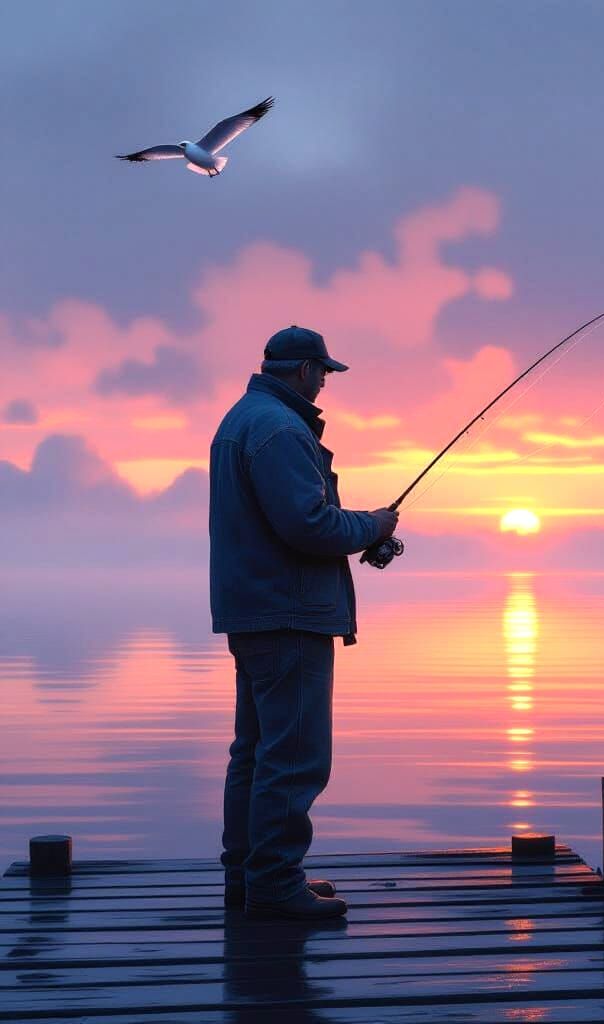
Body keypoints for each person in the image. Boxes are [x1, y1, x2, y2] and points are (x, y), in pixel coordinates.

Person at [209, 325, 398, 921]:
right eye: (324, 373)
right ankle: (273, 884)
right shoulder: (280, 429)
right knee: (294, 757)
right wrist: (372, 525)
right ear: (302, 369)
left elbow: (293, 520)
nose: (325, 385)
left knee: (257, 752)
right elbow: (309, 525)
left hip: (256, 610)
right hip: (289, 615)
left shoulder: (242, 420)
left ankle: (250, 877)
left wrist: (358, 528)